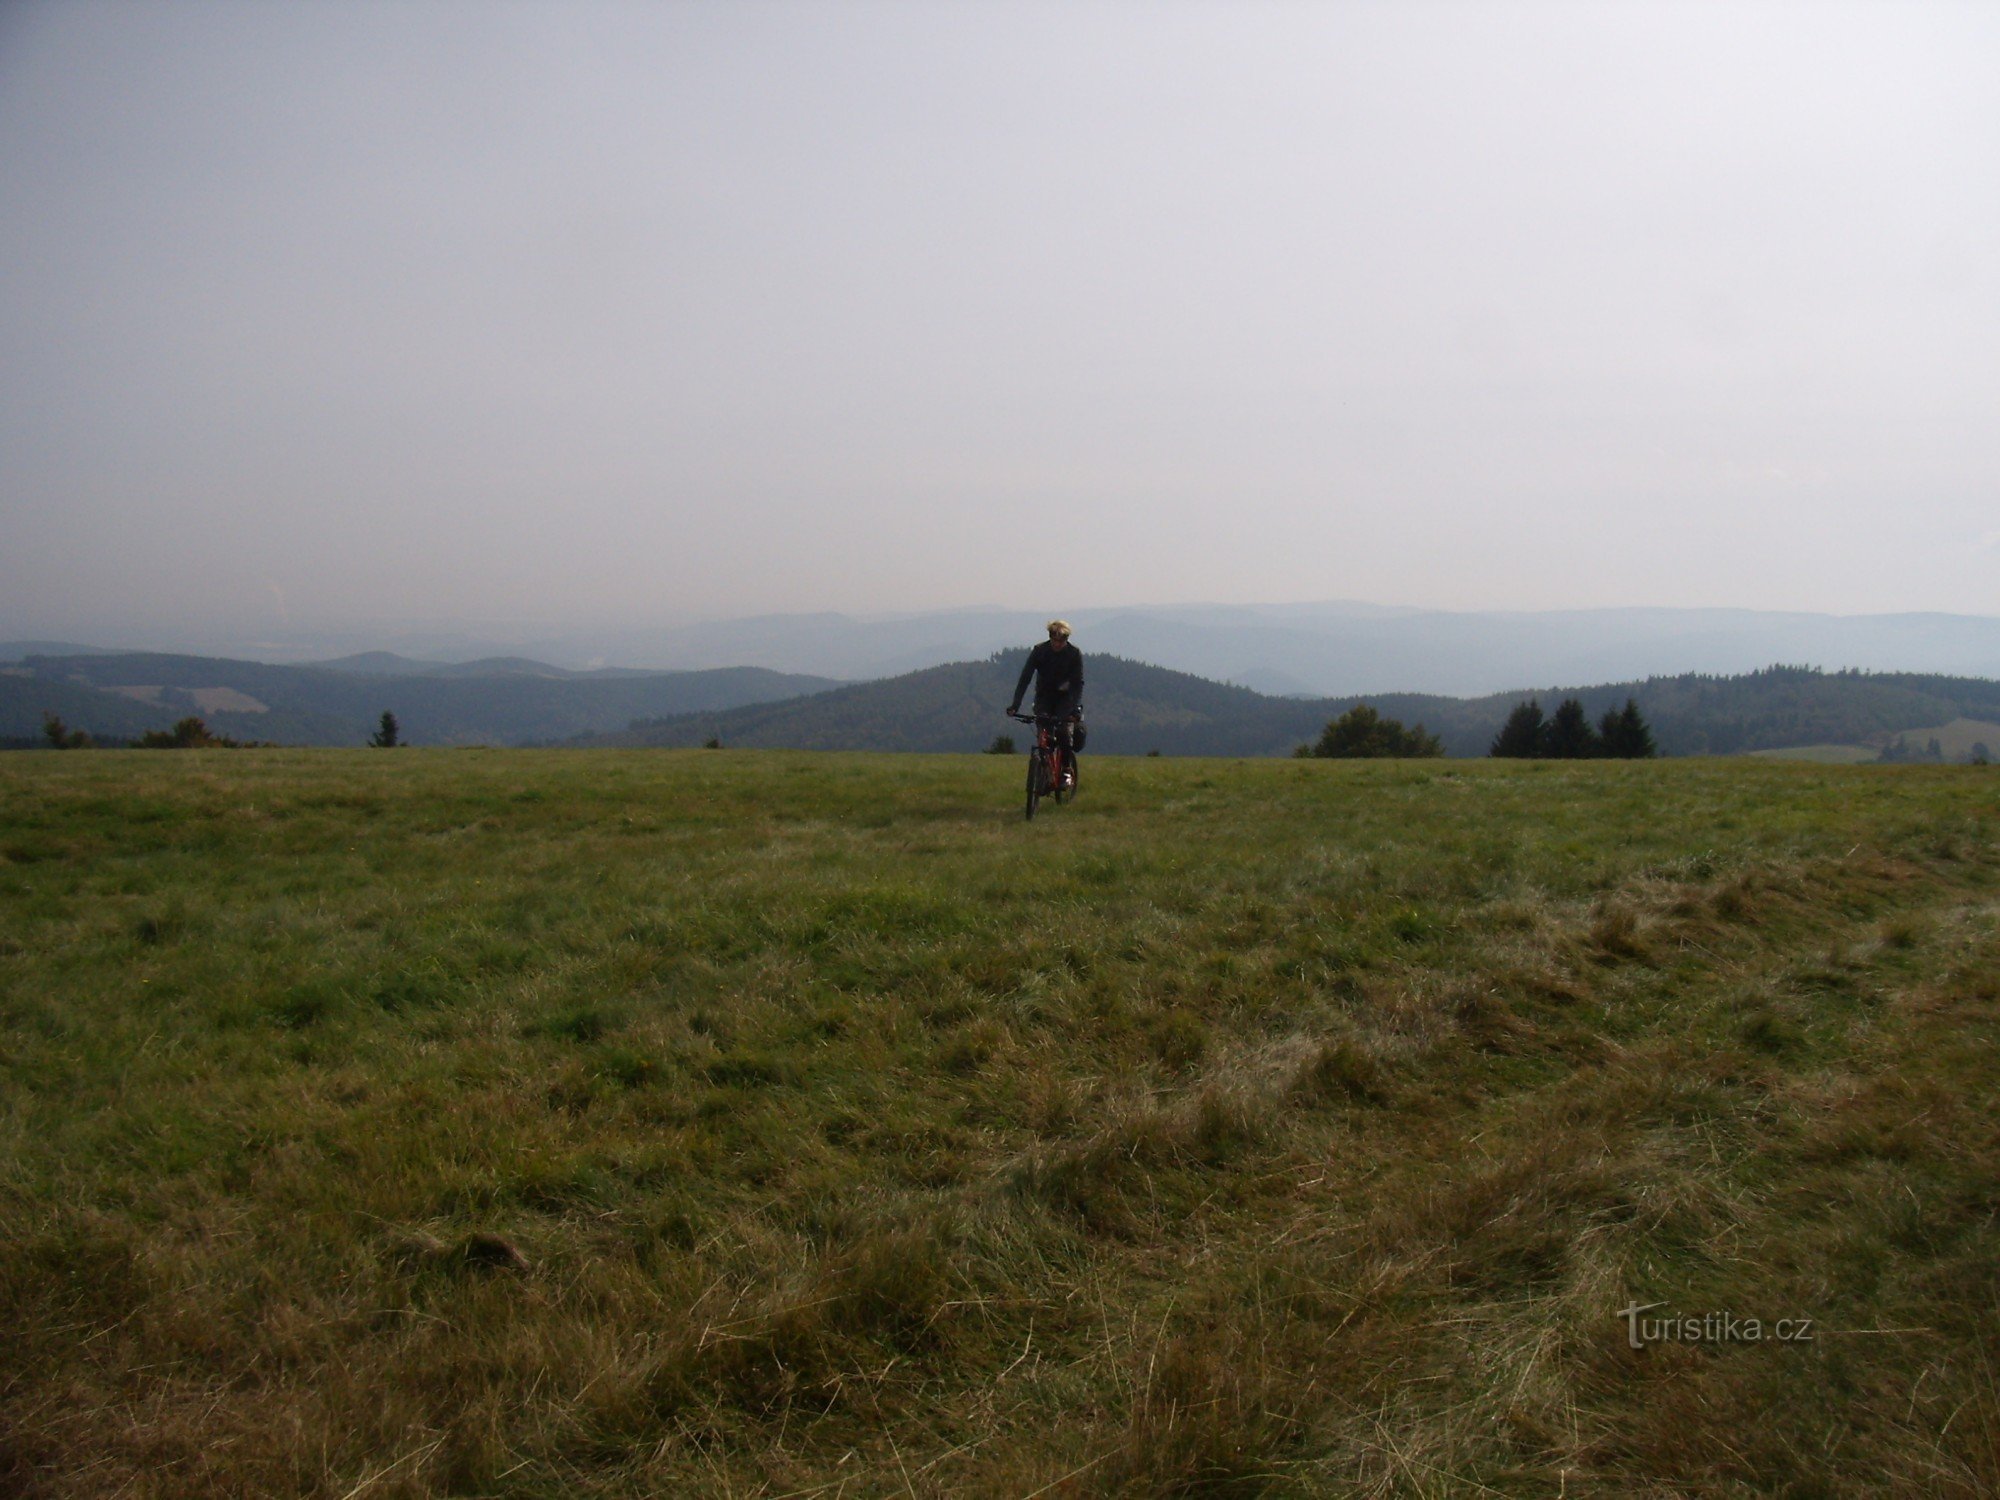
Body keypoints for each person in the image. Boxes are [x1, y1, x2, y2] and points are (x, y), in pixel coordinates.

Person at [1007, 619, 1085, 784]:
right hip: (1044, 697)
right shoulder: (1039, 651)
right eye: (1054, 639)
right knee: (1044, 732)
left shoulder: (1073, 653)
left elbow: (1078, 683)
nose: (1057, 644)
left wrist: (1075, 708)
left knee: (1064, 732)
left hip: (1066, 699)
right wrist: (1015, 704)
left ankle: (1066, 770)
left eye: (1061, 641)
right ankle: (1043, 768)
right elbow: (1025, 678)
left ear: (1066, 639)